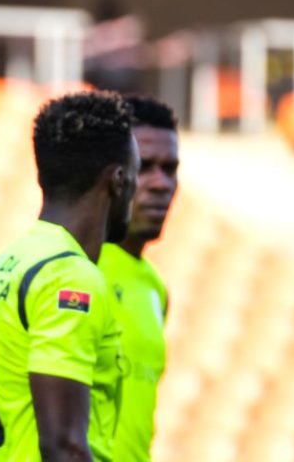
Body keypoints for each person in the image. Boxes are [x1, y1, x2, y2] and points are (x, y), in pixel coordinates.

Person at [0, 91, 139, 462]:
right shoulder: (69, 277)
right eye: (136, 175)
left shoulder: (10, 263)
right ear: (117, 180)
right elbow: (64, 446)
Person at [97, 95, 179, 461]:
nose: (161, 184)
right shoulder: (73, 267)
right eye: (144, 167)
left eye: (170, 168)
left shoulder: (155, 288)